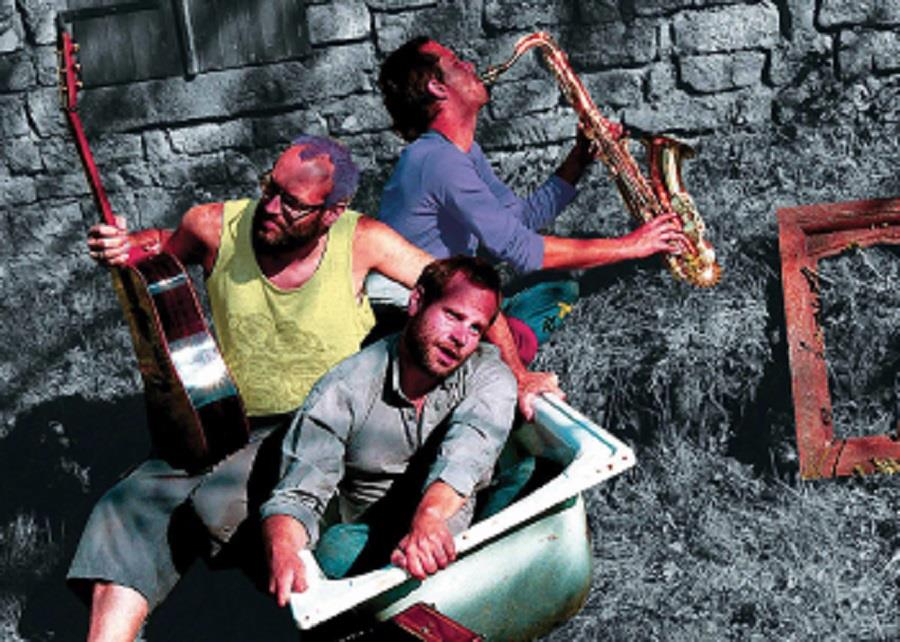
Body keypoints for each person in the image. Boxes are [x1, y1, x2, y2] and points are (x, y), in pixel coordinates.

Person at [69, 135, 547, 642]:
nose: (271, 208)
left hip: (324, 421)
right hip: (220, 413)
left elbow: (465, 298)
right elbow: (163, 247)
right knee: (127, 505)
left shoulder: (364, 240)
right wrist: (125, 245)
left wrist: (518, 374)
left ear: (332, 212)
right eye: (269, 189)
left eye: (293, 203)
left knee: (220, 509)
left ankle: (298, 605)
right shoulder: (212, 225)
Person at [372, 37, 690, 362]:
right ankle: (495, 352)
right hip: (411, 316)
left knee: (559, 288)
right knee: (546, 296)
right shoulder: (437, 160)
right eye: (456, 63)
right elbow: (522, 250)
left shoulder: (462, 153)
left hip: (449, 295)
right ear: (437, 87)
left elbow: (521, 220)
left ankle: (497, 339)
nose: (470, 66)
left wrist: (579, 158)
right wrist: (631, 246)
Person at [262, 257, 517, 606]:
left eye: (475, 328)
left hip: (458, 518)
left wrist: (429, 518)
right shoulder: (345, 389)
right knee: (335, 551)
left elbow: (467, 453)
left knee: (535, 474)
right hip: (379, 535)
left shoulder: (488, 373)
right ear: (417, 301)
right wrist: (283, 549)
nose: (461, 338)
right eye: (452, 316)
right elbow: (297, 493)